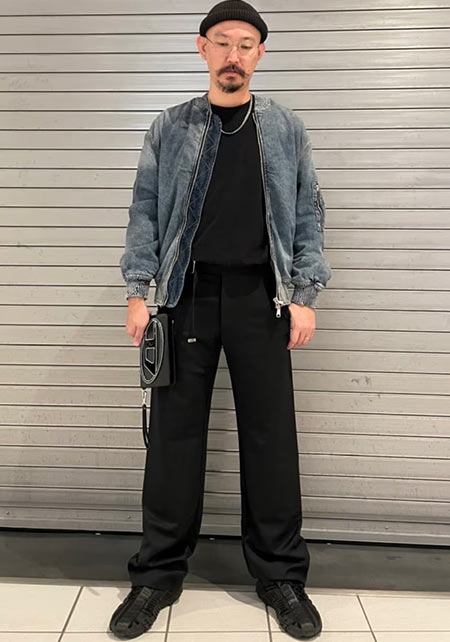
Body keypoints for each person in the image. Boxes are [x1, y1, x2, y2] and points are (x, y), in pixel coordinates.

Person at [110, 1, 332, 639]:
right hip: (186, 295)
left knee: (270, 438)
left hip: (262, 298)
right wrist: (138, 290)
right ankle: (156, 577)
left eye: (246, 44)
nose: (234, 55)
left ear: (260, 54)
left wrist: (305, 293)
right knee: (174, 440)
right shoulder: (171, 127)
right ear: (202, 47)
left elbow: (309, 210)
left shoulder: (284, 128)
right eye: (223, 42)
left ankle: (280, 575)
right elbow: (145, 210)